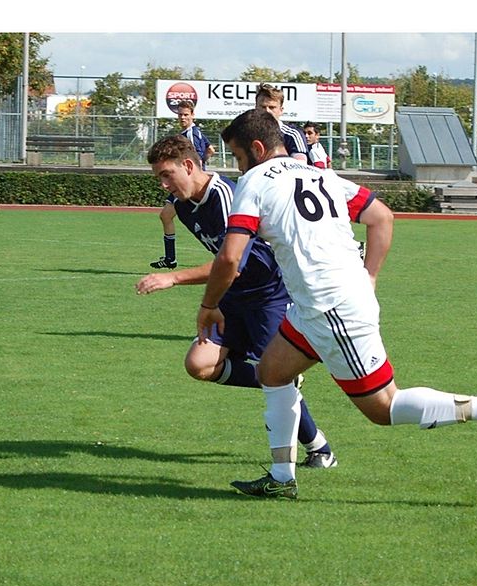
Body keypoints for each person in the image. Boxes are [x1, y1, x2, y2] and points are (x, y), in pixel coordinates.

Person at [197, 109, 477, 499]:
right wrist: (369, 275)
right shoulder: (320, 174)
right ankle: (281, 478)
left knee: (383, 409)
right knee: (272, 372)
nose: (238, 167)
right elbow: (381, 216)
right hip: (316, 306)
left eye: (238, 156)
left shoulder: (253, 181)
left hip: (331, 308)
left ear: (257, 149)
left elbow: (229, 258)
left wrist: (209, 305)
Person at [137, 134, 337, 468]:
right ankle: (273, 376)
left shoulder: (226, 196)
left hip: (266, 297)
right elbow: (225, 264)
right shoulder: (185, 206)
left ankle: (320, 449)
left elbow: (235, 261)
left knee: (276, 377)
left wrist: (173, 277)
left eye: (166, 174)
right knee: (199, 365)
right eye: (158, 177)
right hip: (232, 296)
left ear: (189, 165)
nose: (162, 184)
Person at [150, 100, 215, 270]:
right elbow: (211, 150)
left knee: (173, 216)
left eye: (186, 114)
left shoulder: (190, 135)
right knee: (166, 216)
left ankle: (171, 258)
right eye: (180, 114)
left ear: (192, 115)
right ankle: (170, 258)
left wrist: (196, 173)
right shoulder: (193, 132)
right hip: (186, 182)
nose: (182, 117)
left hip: (188, 183)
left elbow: (198, 157)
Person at [255, 83, 308, 164]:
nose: (267, 111)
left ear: (281, 110)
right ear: (256, 108)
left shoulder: (292, 135)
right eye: (262, 107)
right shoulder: (248, 133)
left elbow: (300, 166)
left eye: (272, 107)